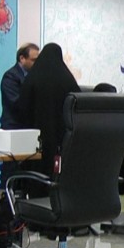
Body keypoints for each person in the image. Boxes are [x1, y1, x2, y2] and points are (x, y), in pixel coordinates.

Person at [14, 43, 81, 187]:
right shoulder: (68, 79)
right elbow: (78, 108)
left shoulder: (32, 78)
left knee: (35, 182)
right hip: (63, 144)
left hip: (36, 145)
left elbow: (22, 108)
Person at [0, 43, 40, 130]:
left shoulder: (34, 76)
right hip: (13, 128)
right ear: (22, 58)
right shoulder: (10, 77)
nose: (37, 64)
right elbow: (16, 103)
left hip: (28, 127)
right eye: (34, 60)